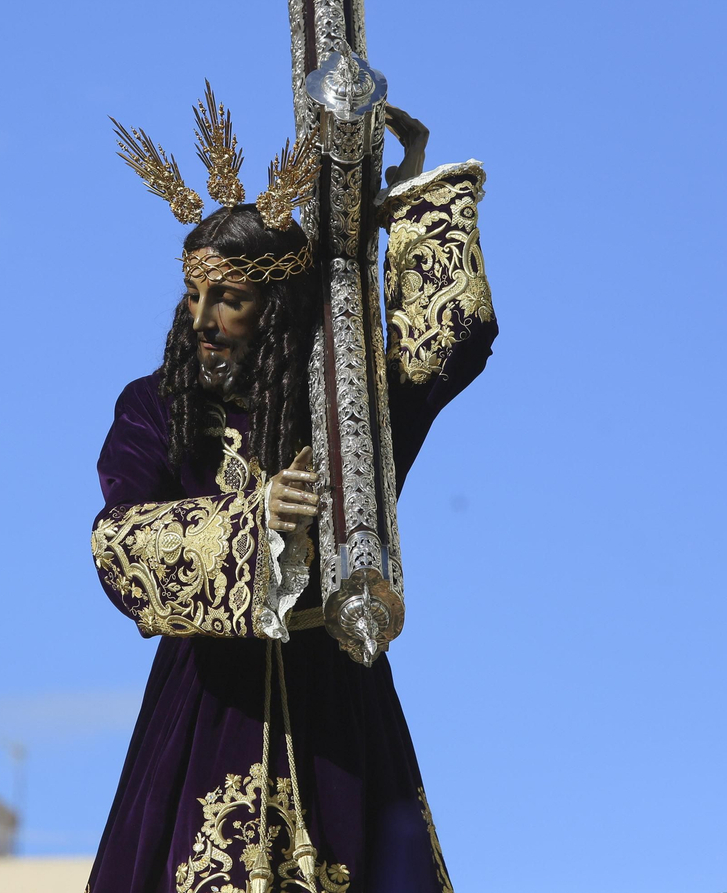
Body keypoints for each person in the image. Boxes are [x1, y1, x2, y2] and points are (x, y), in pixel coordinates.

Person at [89, 91, 496, 892]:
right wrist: (251, 522)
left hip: (338, 701)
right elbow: (118, 541)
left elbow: (447, 343)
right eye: (194, 295)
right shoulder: (157, 408)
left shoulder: (348, 405)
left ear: (271, 308)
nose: (202, 318)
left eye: (228, 299)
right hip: (210, 700)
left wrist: (405, 199)